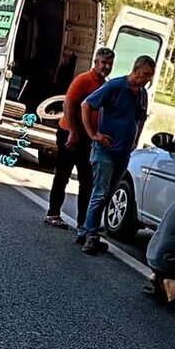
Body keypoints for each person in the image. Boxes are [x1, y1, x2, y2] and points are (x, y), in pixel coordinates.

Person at [78, 55, 156, 255]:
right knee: (100, 193)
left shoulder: (141, 94)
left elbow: (141, 118)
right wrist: (93, 135)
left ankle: (87, 230)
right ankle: (91, 235)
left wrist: (135, 139)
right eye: (146, 75)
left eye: (150, 76)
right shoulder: (115, 86)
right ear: (136, 69)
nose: (147, 79)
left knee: (108, 195)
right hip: (105, 151)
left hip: (123, 152)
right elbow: (86, 105)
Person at [44, 47, 115, 240]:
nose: (106, 67)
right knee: (63, 174)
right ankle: (53, 212)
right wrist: (73, 132)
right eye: (103, 63)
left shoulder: (105, 85)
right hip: (70, 133)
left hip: (89, 137)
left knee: (87, 180)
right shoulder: (83, 80)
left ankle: (84, 221)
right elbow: (68, 104)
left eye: (109, 64)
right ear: (96, 62)